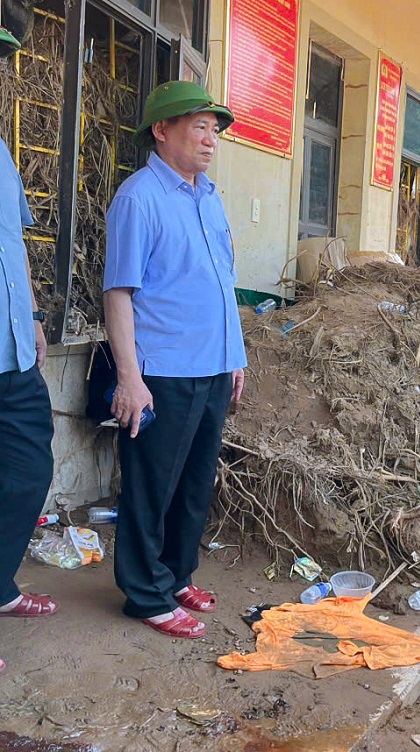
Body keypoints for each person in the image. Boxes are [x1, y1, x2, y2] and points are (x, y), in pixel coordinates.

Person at [104, 80, 247, 639]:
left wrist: (235, 356)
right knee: (151, 484)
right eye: (198, 126)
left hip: (212, 366)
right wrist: (129, 379)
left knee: (194, 482)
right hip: (163, 370)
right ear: (161, 131)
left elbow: (223, 283)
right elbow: (119, 294)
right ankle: (144, 593)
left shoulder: (208, 196)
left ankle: (175, 573)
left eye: (215, 129)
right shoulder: (139, 198)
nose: (210, 139)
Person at [0, 21, 58, 674]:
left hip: (13, 353)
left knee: (27, 474)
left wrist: (36, 316)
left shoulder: (0, 151)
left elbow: (15, 247)